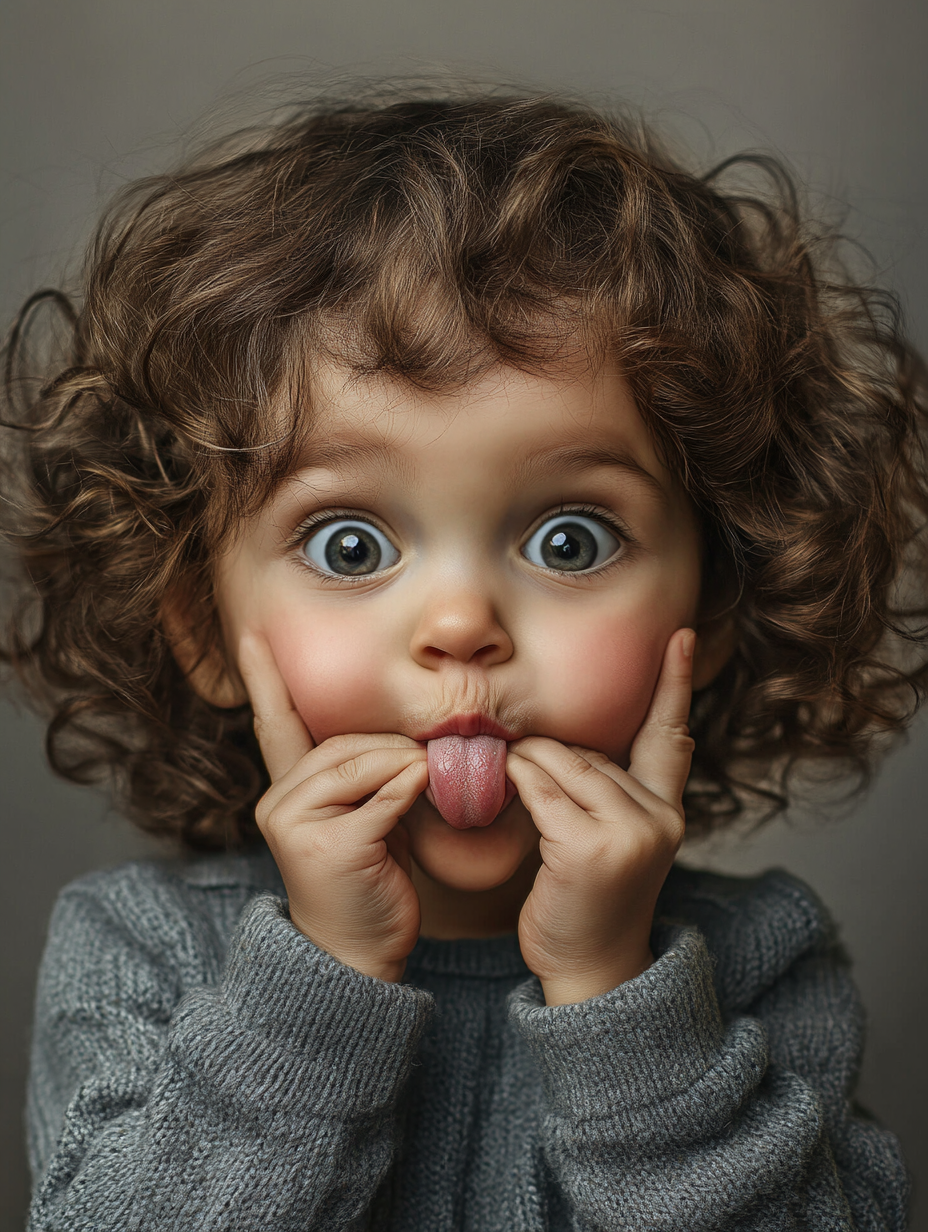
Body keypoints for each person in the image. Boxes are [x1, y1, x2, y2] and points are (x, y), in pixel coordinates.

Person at [3, 88, 925, 1230]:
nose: (461, 622)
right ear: (202, 630)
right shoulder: (141, 947)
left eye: (569, 539)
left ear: (720, 603)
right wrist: (317, 984)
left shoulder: (758, 959)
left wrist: (622, 1000)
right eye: (351, 544)